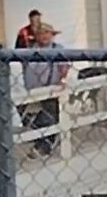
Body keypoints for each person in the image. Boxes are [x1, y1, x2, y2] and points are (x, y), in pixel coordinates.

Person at [20, 23, 70, 158]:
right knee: (30, 119)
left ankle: (44, 147)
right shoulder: (30, 51)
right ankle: (40, 142)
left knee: (48, 118)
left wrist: (62, 81)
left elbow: (64, 68)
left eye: (48, 33)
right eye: (42, 33)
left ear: (52, 35)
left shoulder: (58, 49)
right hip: (32, 92)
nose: (45, 36)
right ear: (37, 36)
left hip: (51, 90)